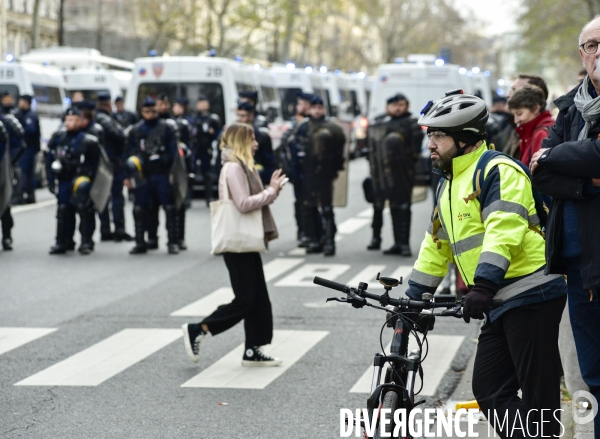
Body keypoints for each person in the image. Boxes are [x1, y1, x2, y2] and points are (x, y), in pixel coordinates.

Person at [408, 90, 567, 438]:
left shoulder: (497, 170)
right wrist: (415, 296)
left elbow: (503, 230)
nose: (430, 144)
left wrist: (482, 285)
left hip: (531, 293)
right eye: (429, 135)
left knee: (539, 399)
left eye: (438, 135)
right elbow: (437, 243)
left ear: (464, 139)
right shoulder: (448, 181)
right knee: (490, 390)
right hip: (498, 298)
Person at [529, 15, 600, 436]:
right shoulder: (571, 106)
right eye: (591, 45)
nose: (598, 52)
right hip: (576, 265)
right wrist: (589, 183)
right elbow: (539, 170)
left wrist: (557, 159)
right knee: (590, 377)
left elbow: (555, 158)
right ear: (581, 54)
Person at [182, 123, 286, 366]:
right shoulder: (233, 168)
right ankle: (199, 328)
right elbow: (243, 203)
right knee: (245, 299)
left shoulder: (240, 166)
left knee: (258, 297)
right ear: (241, 141)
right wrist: (271, 191)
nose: (256, 144)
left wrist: (272, 190)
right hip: (237, 242)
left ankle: (252, 350)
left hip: (244, 242)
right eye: (252, 139)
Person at [366, 93, 423, 256]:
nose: (398, 108)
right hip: (382, 174)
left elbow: (415, 150)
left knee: (402, 207)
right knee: (385, 206)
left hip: (402, 173)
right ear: (387, 107)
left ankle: (404, 243)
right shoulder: (379, 122)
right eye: (394, 105)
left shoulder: (411, 124)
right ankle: (392, 242)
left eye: (401, 105)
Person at [124, 97, 179, 255]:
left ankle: (172, 242)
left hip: (161, 172)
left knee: (169, 207)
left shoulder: (166, 128)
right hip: (143, 174)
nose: (150, 114)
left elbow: (173, 152)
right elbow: (128, 153)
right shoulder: (136, 130)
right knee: (141, 209)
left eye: (153, 111)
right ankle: (143, 241)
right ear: (142, 112)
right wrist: (127, 175)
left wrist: (165, 162)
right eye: (147, 111)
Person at [46, 108, 101, 255]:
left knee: (84, 209)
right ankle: (62, 241)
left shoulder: (88, 141)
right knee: (63, 210)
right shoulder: (59, 138)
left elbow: (97, 165)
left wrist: (94, 184)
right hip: (64, 178)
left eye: (73, 120)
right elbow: (50, 160)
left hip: (81, 179)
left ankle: (86, 241)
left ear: (80, 121)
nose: (69, 123)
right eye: (67, 120)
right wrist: (51, 180)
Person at [296, 95, 345, 256]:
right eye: (314, 108)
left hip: (325, 174)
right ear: (309, 109)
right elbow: (295, 148)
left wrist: (333, 168)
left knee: (326, 209)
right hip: (308, 173)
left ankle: (329, 242)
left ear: (323, 109)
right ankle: (314, 240)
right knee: (309, 208)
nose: (317, 111)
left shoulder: (332, 128)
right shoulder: (303, 127)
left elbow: (340, 151)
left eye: (320, 108)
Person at [95, 92, 131, 242]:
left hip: (100, 164)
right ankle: (118, 229)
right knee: (116, 197)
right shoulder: (106, 120)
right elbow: (119, 136)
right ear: (109, 104)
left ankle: (105, 229)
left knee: (103, 196)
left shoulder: (95, 120)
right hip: (111, 163)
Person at [279, 92, 313, 245]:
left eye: (304, 104)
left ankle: (316, 234)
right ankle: (303, 231)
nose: (301, 107)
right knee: (300, 203)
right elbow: (283, 145)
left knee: (314, 204)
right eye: (300, 104)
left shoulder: (314, 124)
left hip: (313, 172)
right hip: (297, 172)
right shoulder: (294, 125)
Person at [507, 84, 555, 167]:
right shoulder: (532, 131)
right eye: (514, 115)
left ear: (536, 108)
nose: (516, 120)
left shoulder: (541, 133)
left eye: (519, 113)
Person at [0, 101, 25, 249]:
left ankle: (7, 236)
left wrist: (10, 162)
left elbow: (19, 143)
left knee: (3, 202)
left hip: (1, 169)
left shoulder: (4, 123)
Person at [192, 95, 221, 205]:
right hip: (196, 149)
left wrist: (213, 133)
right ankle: (188, 199)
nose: (202, 106)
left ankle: (209, 198)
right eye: (200, 104)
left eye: (204, 104)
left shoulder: (212, 119)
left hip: (207, 149)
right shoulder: (194, 119)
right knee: (192, 173)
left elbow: (219, 134)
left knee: (207, 175)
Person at [236, 101, 275, 186]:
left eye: (243, 116)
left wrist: (263, 177)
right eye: (238, 115)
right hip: (237, 180)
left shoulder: (261, 137)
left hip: (257, 180)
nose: (240, 119)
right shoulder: (233, 137)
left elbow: (269, 162)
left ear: (251, 116)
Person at [172, 97, 193, 250]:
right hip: (167, 167)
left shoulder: (186, 123)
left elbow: (190, 147)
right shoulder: (168, 122)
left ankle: (180, 238)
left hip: (182, 167)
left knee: (180, 205)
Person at [15, 94, 41, 204]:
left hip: (28, 148)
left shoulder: (30, 115)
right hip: (28, 148)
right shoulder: (20, 114)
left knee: (24, 172)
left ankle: (23, 195)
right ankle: (29, 195)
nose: (20, 104)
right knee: (28, 173)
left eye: (22, 102)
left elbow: (31, 131)